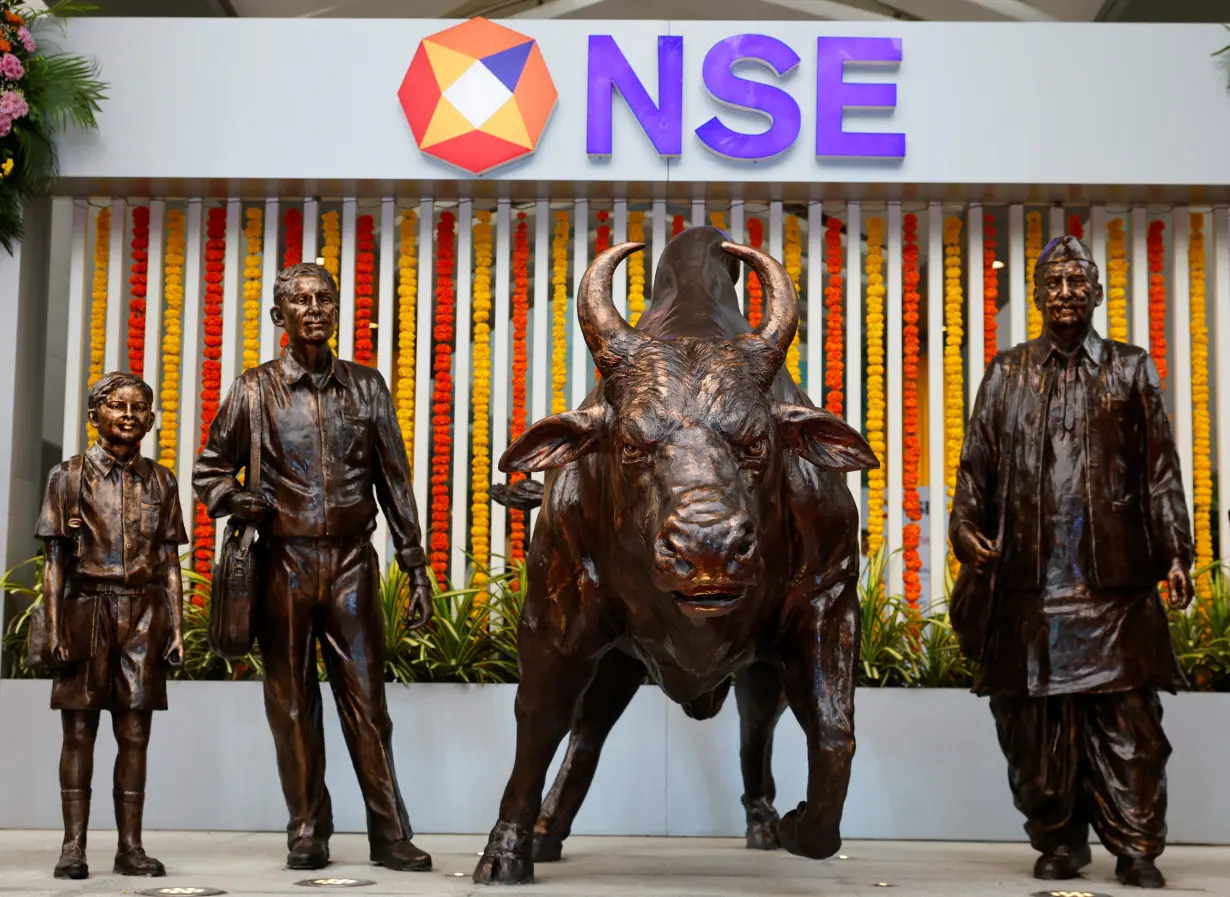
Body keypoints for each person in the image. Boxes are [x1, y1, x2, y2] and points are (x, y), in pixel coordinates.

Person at [950, 236, 1193, 889]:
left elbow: (1161, 474)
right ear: (1036, 293)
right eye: (1053, 282)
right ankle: (1058, 838)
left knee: (1130, 731)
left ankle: (1136, 845)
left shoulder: (1131, 369)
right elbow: (975, 470)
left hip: (1114, 589)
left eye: (1075, 281)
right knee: (1034, 733)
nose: (1065, 292)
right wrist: (965, 530)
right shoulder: (1006, 373)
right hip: (1029, 588)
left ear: (1096, 292)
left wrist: (1175, 552)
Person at [193, 262, 434, 872]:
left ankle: (389, 831)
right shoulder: (254, 389)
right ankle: (307, 828)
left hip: (352, 561)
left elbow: (395, 483)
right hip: (282, 561)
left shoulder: (367, 386)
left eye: (324, 298)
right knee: (291, 702)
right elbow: (209, 470)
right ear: (279, 316)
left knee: (367, 701)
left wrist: (415, 566)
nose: (314, 308)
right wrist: (238, 499)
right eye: (300, 300)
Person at [36, 372, 187, 880]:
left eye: (138, 407)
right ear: (94, 414)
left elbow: (170, 563)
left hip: (143, 615)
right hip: (86, 609)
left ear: (151, 420)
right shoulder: (69, 476)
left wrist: (178, 629)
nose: (128, 415)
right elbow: (53, 561)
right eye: (117, 406)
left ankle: (130, 847)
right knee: (78, 731)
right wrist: (55, 626)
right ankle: (73, 846)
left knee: (135, 732)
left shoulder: (162, 481)